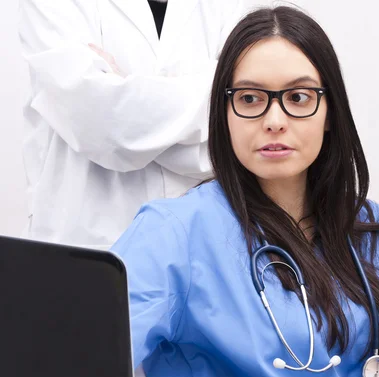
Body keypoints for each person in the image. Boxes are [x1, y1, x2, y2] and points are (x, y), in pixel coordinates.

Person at [111, 6, 379, 377]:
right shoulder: (172, 234)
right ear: (224, 113)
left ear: (329, 112)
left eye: (298, 97)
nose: (274, 119)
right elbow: (76, 359)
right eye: (250, 99)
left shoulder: (370, 229)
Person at [18, 0, 243, 250]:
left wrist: (125, 94)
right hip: (89, 245)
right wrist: (215, 97)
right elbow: (103, 124)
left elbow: (249, 124)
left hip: (209, 242)